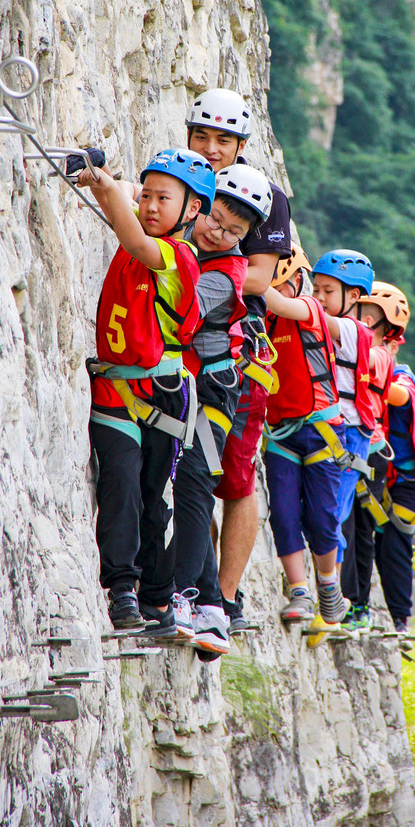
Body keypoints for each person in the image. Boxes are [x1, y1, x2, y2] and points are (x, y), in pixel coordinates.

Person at [77, 148, 215, 633]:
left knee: (153, 500)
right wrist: (105, 179)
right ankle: (121, 590)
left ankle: (157, 598)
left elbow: (134, 241)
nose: (152, 206)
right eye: (148, 196)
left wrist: (105, 185)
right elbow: (129, 200)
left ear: (192, 209)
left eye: (164, 199)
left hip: (163, 394)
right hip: (115, 388)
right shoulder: (142, 216)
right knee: (120, 486)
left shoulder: (179, 256)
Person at [185, 88, 292, 631]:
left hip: (237, 351)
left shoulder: (264, 196)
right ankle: (200, 588)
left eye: (222, 140)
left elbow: (258, 277)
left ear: (241, 146)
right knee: (191, 472)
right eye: (201, 136)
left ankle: (224, 598)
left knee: (236, 477)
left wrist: (190, 265)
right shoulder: (184, 179)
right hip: (180, 344)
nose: (211, 148)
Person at [172, 164, 273, 657]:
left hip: (213, 393)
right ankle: (209, 603)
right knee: (183, 484)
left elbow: (180, 303)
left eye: (233, 232)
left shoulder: (229, 270)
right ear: (198, 206)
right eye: (214, 219)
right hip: (180, 384)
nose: (218, 233)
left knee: (196, 482)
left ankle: (192, 597)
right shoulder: (182, 235)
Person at [342, 282, 415, 632]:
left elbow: (400, 396)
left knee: (394, 544)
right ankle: (358, 607)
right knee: (361, 532)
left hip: (404, 484)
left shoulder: (401, 375)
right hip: (376, 473)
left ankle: (400, 618)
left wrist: (371, 378)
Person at [262, 246, 349, 640]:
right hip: (281, 433)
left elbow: (280, 302)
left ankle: (328, 585)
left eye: (279, 282)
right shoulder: (263, 319)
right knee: (283, 514)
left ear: (297, 281)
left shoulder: (309, 308)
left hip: (321, 430)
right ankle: (300, 591)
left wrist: (245, 273)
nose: (274, 290)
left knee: (321, 518)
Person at [310, 250, 387, 576]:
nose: (319, 297)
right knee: (323, 514)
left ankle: (332, 593)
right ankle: (329, 591)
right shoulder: (327, 327)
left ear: (354, 296)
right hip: (327, 426)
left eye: (328, 291)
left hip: (351, 433)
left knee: (332, 514)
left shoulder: (352, 330)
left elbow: (315, 318)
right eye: (316, 289)